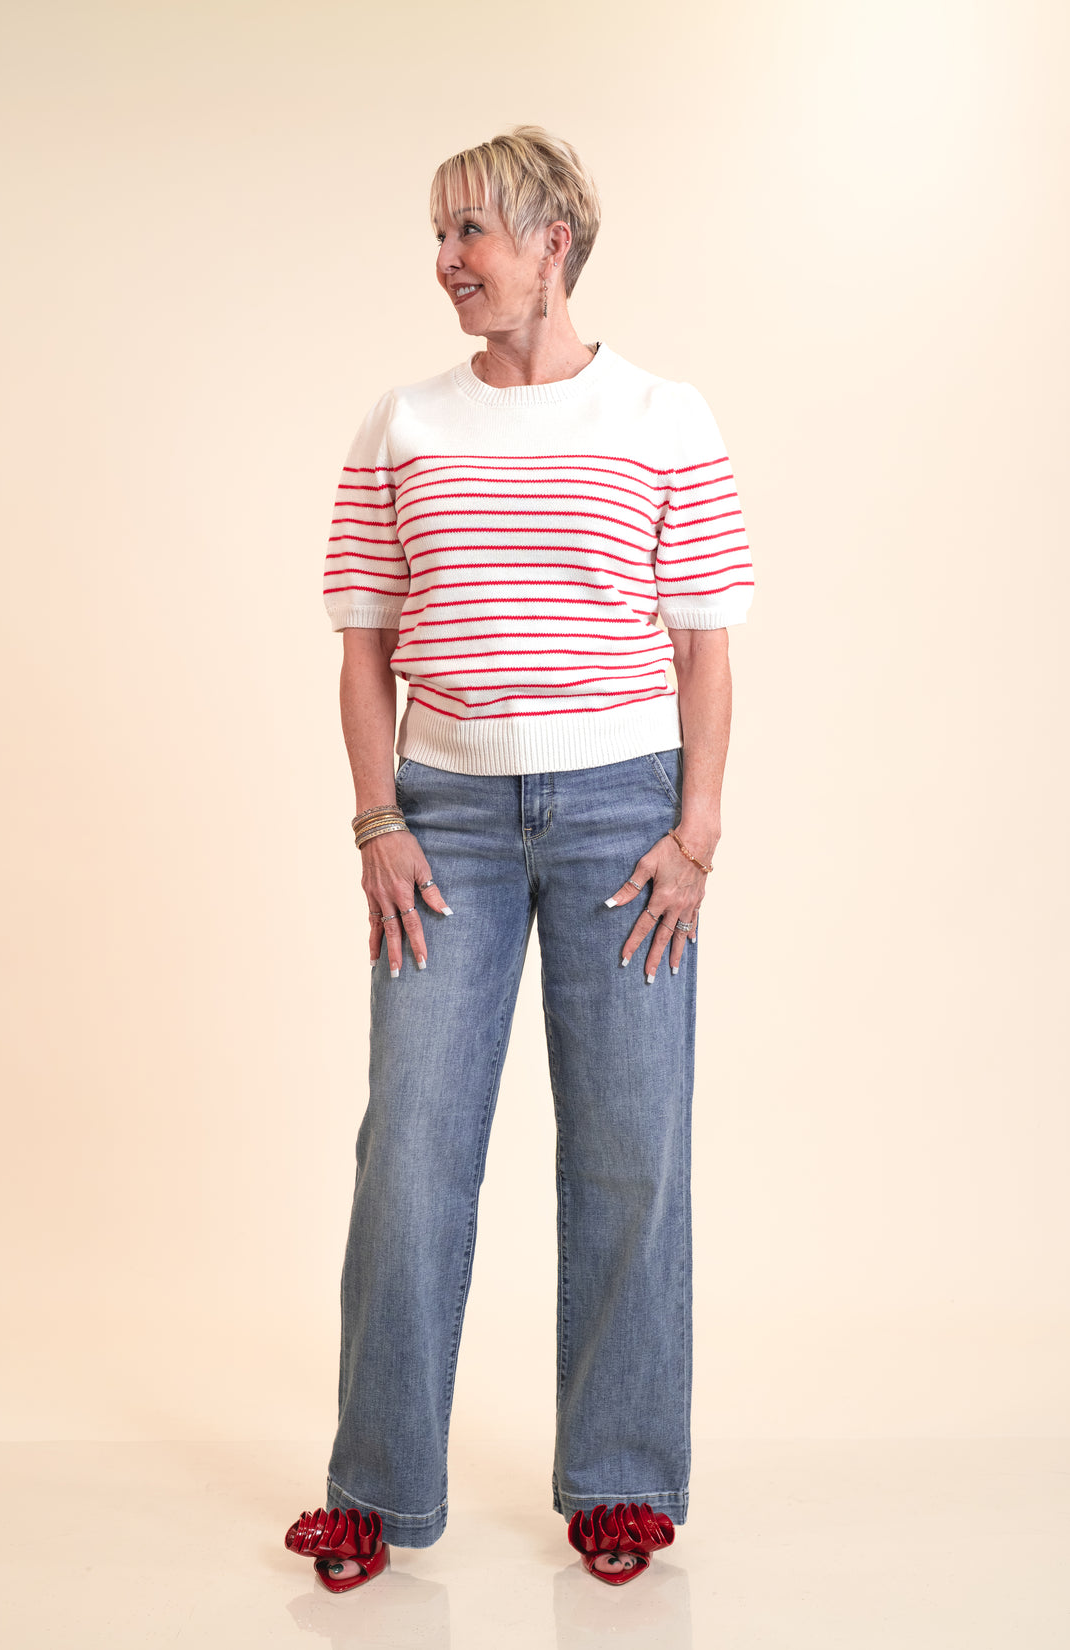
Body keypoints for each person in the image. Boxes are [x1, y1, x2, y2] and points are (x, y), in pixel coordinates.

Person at [284, 124, 755, 1595]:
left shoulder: (667, 415)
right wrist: (380, 821)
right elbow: (362, 645)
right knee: (414, 1150)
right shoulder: (404, 424)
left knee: (630, 1151)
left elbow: (705, 648)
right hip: (451, 825)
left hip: (627, 819)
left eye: (471, 231)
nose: (447, 262)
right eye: (438, 235)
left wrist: (697, 835)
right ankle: (375, 1479)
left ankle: (620, 1477)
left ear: (555, 237)